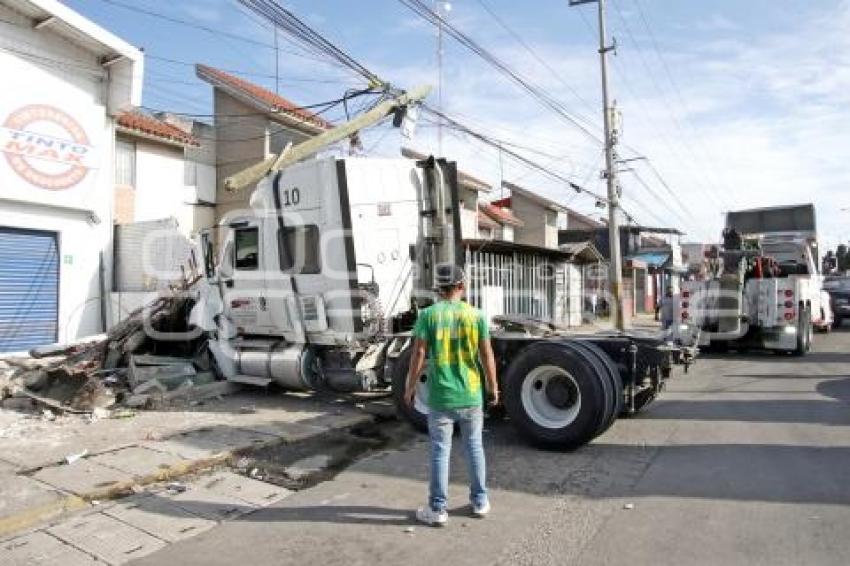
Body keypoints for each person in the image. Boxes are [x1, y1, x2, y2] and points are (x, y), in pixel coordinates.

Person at [404, 263, 499, 527]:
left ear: (439, 288)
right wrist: (493, 387)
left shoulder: (428, 315)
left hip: (441, 396)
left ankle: (437, 509)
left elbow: (419, 354)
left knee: (439, 451)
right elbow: (486, 354)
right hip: (471, 394)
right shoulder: (477, 316)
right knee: (475, 448)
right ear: (461, 286)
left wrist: (410, 387)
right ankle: (480, 502)